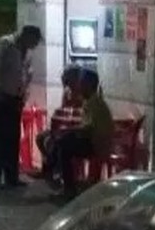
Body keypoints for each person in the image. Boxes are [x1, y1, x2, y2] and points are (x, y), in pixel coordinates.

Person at [0, 24, 43, 188]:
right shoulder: (6, 44)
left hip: (16, 98)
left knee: (13, 138)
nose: (35, 45)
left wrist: (24, 95)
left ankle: (11, 176)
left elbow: (26, 74)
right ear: (26, 36)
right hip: (1, 95)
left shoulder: (26, 52)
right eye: (34, 41)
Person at [43, 69, 114, 199]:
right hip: (94, 141)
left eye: (82, 83)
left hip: (97, 145)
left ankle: (61, 181)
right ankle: (57, 176)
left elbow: (88, 128)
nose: (79, 86)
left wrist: (70, 130)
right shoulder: (92, 101)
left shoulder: (93, 103)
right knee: (62, 141)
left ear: (89, 85)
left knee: (63, 144)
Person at [36, 64, 83, 177]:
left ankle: (54, 169)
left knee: (55, 140)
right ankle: (49, 166)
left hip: (75, 128)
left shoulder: (81, 92)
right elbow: (63, 109)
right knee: (41, 137)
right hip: (64, 125)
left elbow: (79, 113)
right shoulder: (67, 91)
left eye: (67, 77)